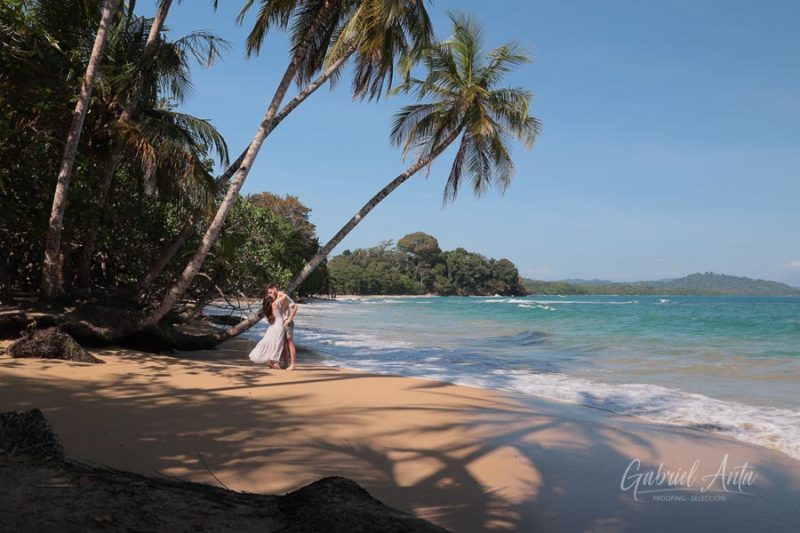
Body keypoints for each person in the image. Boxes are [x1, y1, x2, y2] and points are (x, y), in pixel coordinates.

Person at [247, 294, 285, 369]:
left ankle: (271, 361)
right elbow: (284, 296)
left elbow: (269, 321)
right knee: (278, 343)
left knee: (269, 341)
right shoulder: (274, 304)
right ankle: (275, 362)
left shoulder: (266, 309)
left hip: (272, 326)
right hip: (279, 325)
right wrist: (278, 294)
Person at [267, 283, 298, 370]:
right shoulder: (275, 298)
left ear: (274, 289)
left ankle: (293, 365)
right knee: (283, 344)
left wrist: (289, 319)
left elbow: (295, 307)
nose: (269, 294)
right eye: (268, 293)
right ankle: (285, 364)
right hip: (280, 324)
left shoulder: (283, 296)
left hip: (287, 322)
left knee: (290, 342)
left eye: (270, 292)